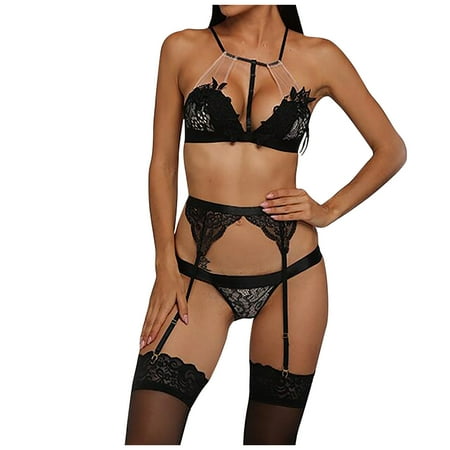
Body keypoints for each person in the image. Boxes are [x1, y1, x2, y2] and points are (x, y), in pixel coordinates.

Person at [124, 4, 406, 445]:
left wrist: (327, 211)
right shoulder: (182, 47)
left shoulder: (320, 56)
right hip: (194, 278)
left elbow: (391, 149)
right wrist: (164, 266)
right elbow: (161, 164)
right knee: (148, 435)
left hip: (292, 278)